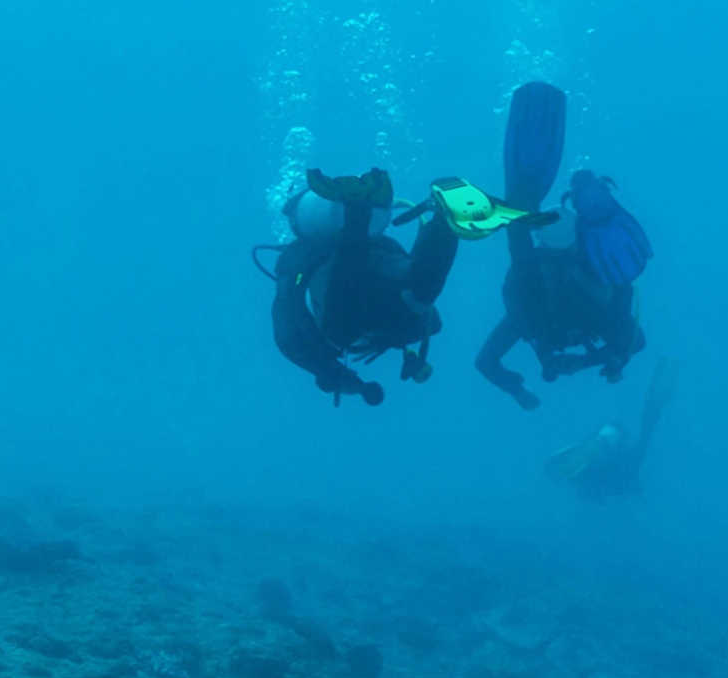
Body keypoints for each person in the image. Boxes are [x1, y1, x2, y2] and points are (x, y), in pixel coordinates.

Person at [260, 164, 536, 405]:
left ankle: (427, 222)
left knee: (346, 326)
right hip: (382, 283)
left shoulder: (297, 259)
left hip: (360, 308)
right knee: (417, 293)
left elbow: (289, 335)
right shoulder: (372, 248)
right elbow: (430, 312)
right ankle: (442, 220)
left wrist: (336, 373)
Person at [462, 81, 652, 411]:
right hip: (556, 301)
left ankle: (533, 201)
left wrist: (521, 390)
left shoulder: (533, 288)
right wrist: (595, 361)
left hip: (541, 300)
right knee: (520, 227)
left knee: (520, 229)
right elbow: (634, 342)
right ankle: (550, 197)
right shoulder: (592, 290)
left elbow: (486, 362)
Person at [546, 359, 677, 498]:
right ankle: (663, 380)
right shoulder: (588, 478)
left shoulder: (589, 471)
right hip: (620, 467)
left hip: (619, 465)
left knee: (648, 420)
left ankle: (663, 380)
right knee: (649, 419)